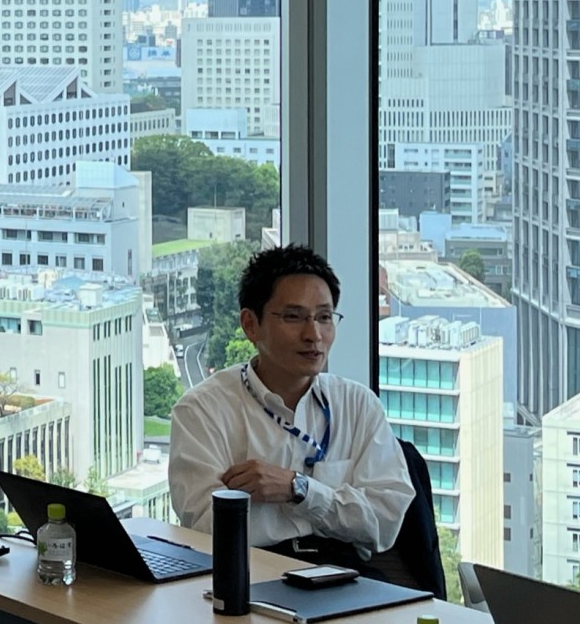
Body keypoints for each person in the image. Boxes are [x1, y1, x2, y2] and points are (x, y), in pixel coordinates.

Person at [168, 245, 414, 578]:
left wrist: (298, 489)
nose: (314, 335)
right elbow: (206, 527)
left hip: (345, 575)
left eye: (324, 317)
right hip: (250, 574)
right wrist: (341, 506)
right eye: (293, 317)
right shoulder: (203, 411)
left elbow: (384, 522)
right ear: (251, 324)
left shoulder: (357, 404)